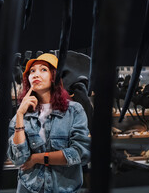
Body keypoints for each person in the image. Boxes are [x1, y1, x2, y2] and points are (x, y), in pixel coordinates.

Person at [7, 53, 90, 193]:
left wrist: (37, 158)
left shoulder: (74, 110)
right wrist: (20, 114)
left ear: (54, 76)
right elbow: (19, 159)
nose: (35, 74)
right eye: (32, 71)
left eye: (43, 69)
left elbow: (79, 153)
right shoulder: (22, 114)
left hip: (64, 189)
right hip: (28, 188)